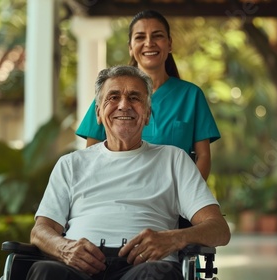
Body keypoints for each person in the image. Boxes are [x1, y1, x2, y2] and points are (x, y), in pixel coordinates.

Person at [27, 65, 230, 280]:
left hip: (147, 266)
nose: (124, 105)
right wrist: (63, 248)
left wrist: (174, 239)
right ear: (98, 113)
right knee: (45, 272)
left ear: (148, 115)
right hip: (78, 266)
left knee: (157, 276)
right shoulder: (71, 164)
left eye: (134, 98)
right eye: (113, 97)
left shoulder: (174, 159)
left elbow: (219, 229)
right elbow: (40, 231)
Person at [76, 10, 220, 180]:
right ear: (130, 47)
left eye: (157, 36)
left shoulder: (191, 96)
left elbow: (203, 157)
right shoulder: (110, 96)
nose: (149, 43)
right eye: (140, 37)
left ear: (169, 44)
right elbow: (91, 156)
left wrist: (188, 199)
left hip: (174, 201)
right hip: (119, 196)